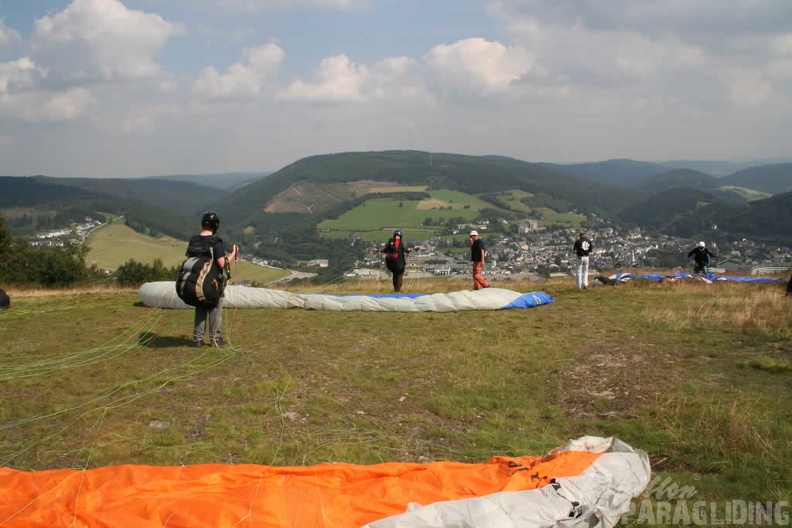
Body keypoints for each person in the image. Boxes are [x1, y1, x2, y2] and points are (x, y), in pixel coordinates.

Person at [190, 211, 237, 347]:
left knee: (200, 308)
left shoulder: (194, 240)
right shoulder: (216, 242)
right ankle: (215, 339)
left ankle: (197, 339)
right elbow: (223, 263)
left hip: (196, 281)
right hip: (212, 283)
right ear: (215, 226)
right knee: (215, 309)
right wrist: (233, 253)